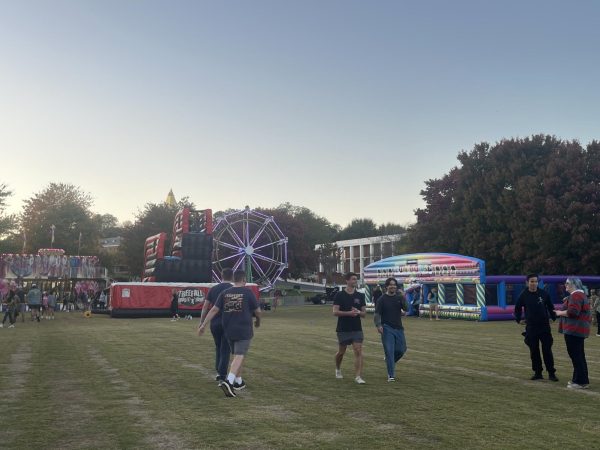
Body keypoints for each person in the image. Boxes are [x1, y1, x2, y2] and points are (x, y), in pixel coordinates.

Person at [198, 270, 261, 398]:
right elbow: (258, 310)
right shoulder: (248, 292)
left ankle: (239, 381)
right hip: (243, 329)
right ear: (243, 280)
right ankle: (229, 381)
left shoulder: (224, 293)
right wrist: (258, 321)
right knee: (239, 355)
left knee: (236, 355)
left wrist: (203, 324)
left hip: (228, 330)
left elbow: (214, 309)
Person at [514, 274, 558, 381]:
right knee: (534, 350)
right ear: (527, 283)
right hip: (531, 327)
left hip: (544, 327)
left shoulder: (544, 294)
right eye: (532, 281)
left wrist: (553, 317)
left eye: (536, 281)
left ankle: (551, 373)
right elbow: (517, 308)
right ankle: (538, 372)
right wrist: (519, 319)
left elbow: (550, 306)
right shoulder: (523, 295)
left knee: (547, 350)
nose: (534, 283)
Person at [555, 277, 592, 389]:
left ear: (574, 284)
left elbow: (573, 312)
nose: (565, 285)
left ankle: (580, 382)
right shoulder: (580, 295)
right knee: (579, 356)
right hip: (578, 330)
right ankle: (581, 380)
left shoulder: (576, 296)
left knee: (576, 356)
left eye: (567, 283)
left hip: (574, 330)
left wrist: (560, 312)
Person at [199, 268, 234, 383]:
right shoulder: (234, 290)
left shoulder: (213, 289)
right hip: (228, 323)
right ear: (232, 277)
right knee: (225, 349)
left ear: (221, 276)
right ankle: (222, 374)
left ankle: (218, 371)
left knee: (218, 347)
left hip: (214, 323)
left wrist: (202, 322)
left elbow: (205, 307)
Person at [333, 272, 367, 384]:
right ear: (347, 281)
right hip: (343, 328)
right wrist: (349, 313)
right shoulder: (339, 295)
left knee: (358, 350)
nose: (355, 281)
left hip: (356, 328)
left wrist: (358, 312)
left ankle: (358, 377)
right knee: (341, 352)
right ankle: (338, 369)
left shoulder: (360, 296)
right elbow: (335, 312)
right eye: (353, 279)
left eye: (356, 279)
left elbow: (364, 314)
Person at [374, 277, 408, 382]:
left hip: (398, 327)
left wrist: (403, 297)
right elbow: (377, 314)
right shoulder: (382, 299)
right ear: (386, 287)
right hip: (387, 327)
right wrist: (378, 325)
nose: (393, 286)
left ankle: (389, 360)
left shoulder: (399, 297)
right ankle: (391, 375)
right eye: (390, 285)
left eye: (394, 285)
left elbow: (406, 308)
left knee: (401, 350)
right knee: (389, 350)